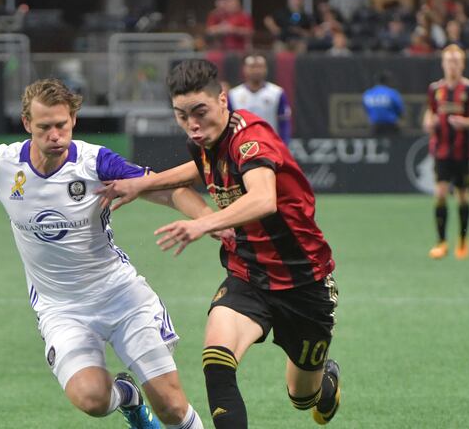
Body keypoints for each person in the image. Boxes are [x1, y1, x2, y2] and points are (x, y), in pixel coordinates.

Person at [0, 79, 206, 429]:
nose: (55, 135)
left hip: (121, 296)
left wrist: (210, 219)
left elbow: (164, 189)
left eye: (61, 125)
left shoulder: (95, 162)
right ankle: (127, 397)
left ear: (74, 120)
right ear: (27, 125)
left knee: (172, 408)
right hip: (61, 309)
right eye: (44, 127)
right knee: (92, 400)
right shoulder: (5, 165)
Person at [97, 59, 341, 428]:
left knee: (302, 397)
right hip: (248, 272)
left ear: (223, 101)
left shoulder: (250, 139)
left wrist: (202, 223)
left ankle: (325, 384)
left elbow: (263, 199)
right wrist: (143, 183)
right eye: (181, 116)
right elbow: (198, 168)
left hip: (304, 280)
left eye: (200, 112)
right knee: (217, 360)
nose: (193, 125)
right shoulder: (206, 139)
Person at [422, 45, 469, 260]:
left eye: (456, 61)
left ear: (462, 64)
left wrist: (467, 122)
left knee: (462, 195)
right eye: (448, 61)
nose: (452, 65)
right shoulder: (435, 89)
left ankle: (463, 239)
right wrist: (428, 122)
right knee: (441, 193)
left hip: (462, 152)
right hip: (441, 150)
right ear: (443, 64)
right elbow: (430, 111)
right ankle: (441, 241)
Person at [227, 54, 291, 144]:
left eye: (260, 67)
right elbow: (227, 124)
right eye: (252, 67)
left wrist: (284, 145)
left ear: (266, 69)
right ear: (244, 69)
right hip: (242, 145)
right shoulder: (233, 95)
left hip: (270, 144)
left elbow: (284, 122)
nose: (256, 70)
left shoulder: (277, 93)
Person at [362, 71, 404, 136]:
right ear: (387, 81)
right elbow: (400, 110)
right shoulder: (392, 93)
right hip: (391, 126)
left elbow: (366, 109)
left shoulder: (368, 93)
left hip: (375, 127)